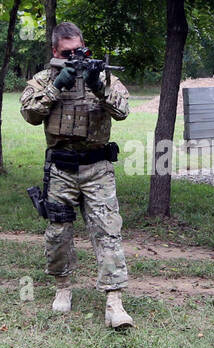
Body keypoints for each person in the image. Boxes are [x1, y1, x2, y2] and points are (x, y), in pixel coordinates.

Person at [20, 22, 133, 329]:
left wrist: (99, 86)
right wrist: (58, 87)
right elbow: (30, 114)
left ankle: (114, 302)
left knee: (107, 231)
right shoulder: (43, 80)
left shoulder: (103, 76)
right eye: (67, 53)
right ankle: (62, 287)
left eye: (79, 51)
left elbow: (122, 111)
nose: (75, 58)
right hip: (62, 169)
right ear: (55, 52)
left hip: (98, 168)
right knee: (58, 234)